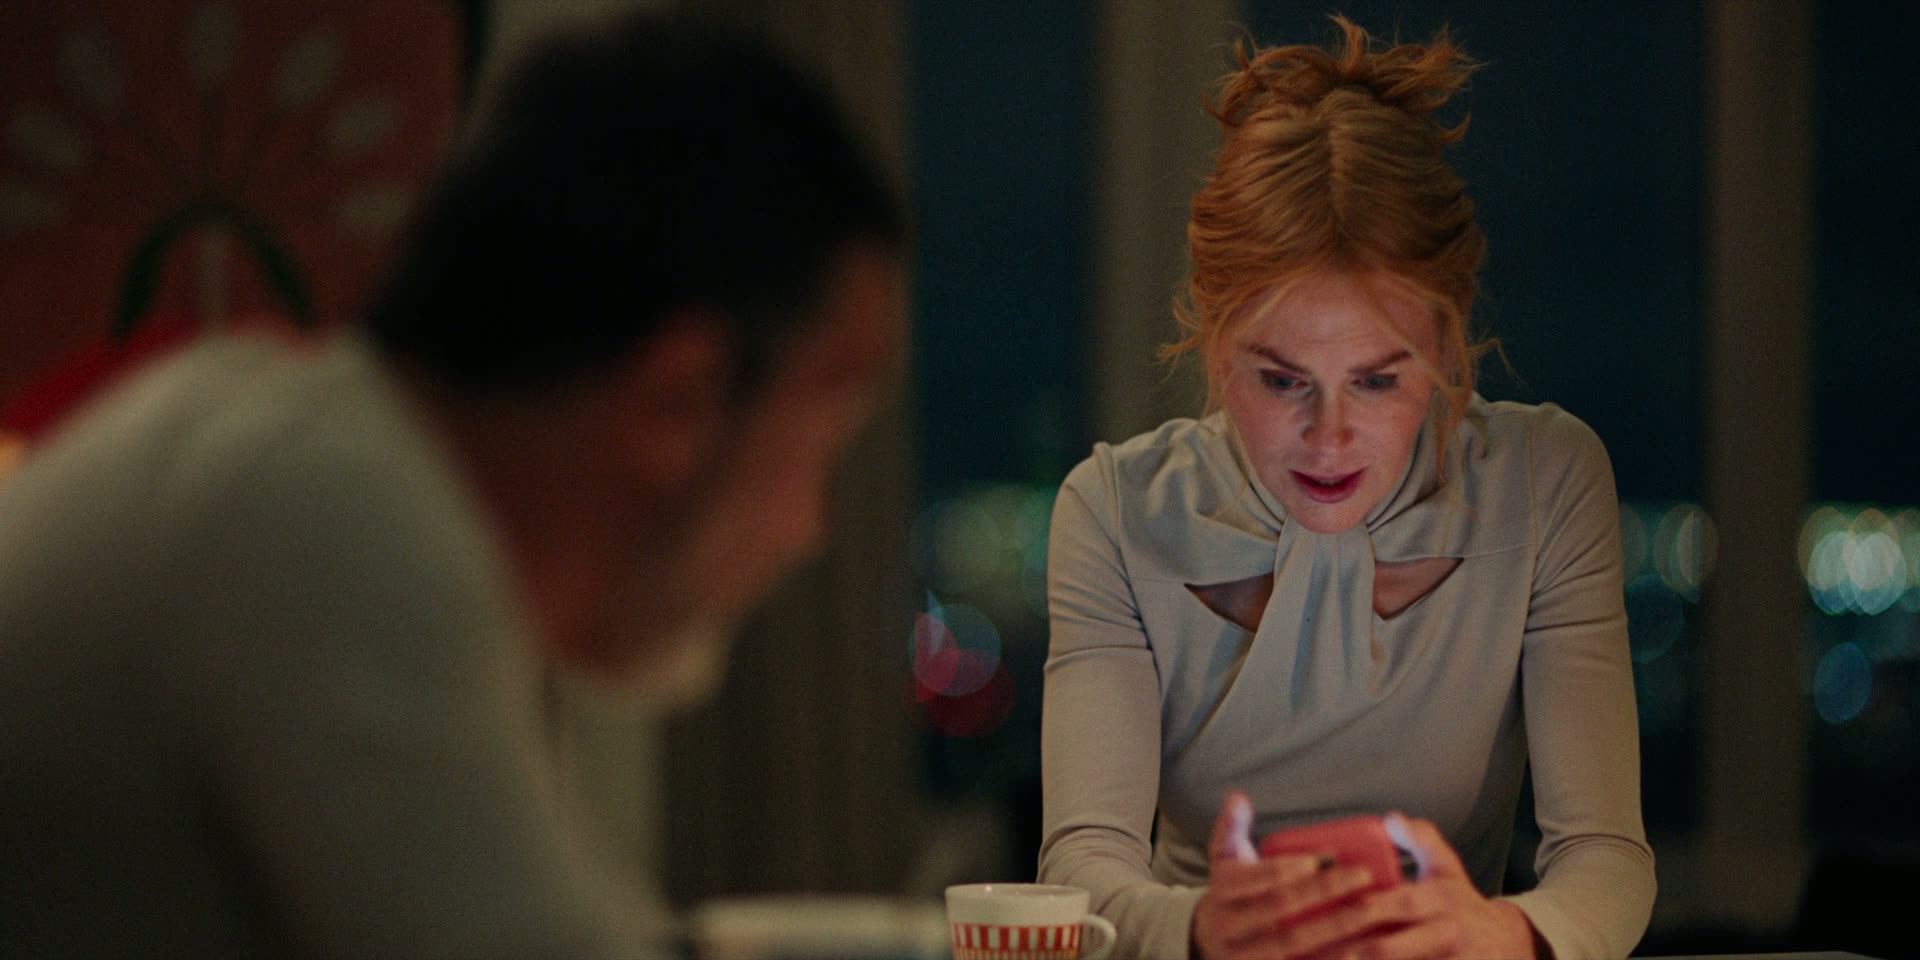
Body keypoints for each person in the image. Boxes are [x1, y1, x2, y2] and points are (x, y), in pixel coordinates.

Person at [0, 12, 904, 958]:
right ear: (677, 397)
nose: (810, 527)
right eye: (822, 436)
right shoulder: (329, 519)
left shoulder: (288, 441)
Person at [1037, 17, 1654, 960]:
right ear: (1213, 343)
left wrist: (1500, 933)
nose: (1329, 438)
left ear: (1446, 345)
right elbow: (1081, 867)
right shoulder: (1117, 512)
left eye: (1376, 380)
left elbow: (1607, 856)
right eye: (1281, 380)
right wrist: (1204, 929)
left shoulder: (1544, 483)